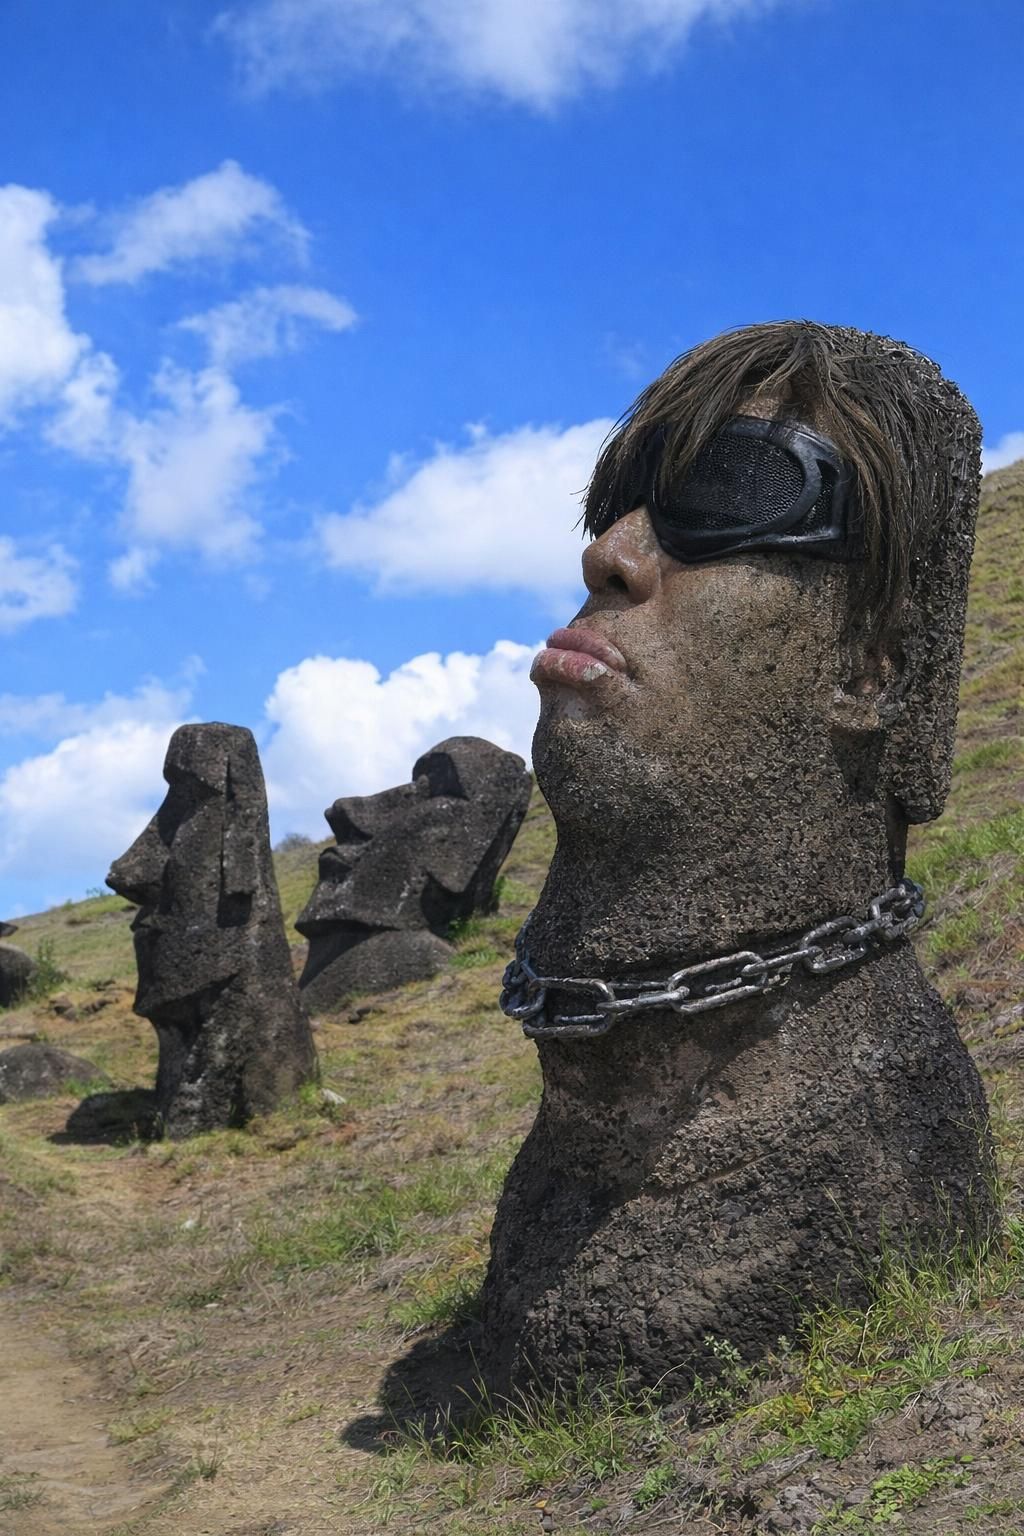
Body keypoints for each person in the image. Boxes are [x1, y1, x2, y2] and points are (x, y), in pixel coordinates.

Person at [482, 322, 996, 1395]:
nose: (610, 554)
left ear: (868, 673)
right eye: (623, 499)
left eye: (729, 490)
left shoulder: (869, 1171)